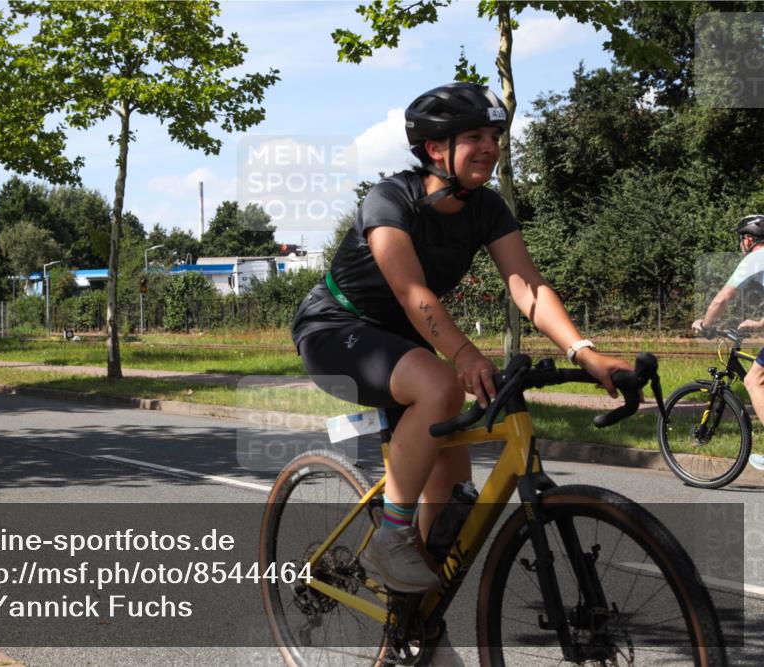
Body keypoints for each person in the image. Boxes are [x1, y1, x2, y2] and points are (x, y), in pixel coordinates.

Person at [291, 83, 631, 595]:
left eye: (495, 135)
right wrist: (467, 355)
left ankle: (410, 621)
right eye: (474, 136)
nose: (491, 146)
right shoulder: (389, 199)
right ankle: (392, 535)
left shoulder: (486, 209)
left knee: (450, 504)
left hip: (404, 345)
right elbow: (411, 291)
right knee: (442, 386)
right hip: (337, 330)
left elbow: (529, 286)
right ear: (434, 148)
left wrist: (583, 352)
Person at [692, 213, 764, 471]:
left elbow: (722, 300)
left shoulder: (754, 259)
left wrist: (706, 325)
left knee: (753, 379)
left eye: (741, 239)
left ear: (748, 239)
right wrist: (758, 324)